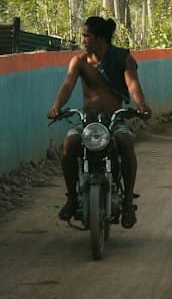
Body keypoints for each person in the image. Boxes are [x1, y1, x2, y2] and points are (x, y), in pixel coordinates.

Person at [47, 15, 151, 229]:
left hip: (115, 120)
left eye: (87, 36)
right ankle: (72, 197)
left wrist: (140, 105)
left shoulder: (123, 58)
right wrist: (57, 106)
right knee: (70, 144)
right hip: (89, 121)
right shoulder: (80, 61)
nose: (83, 41)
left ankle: (128, 202)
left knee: (125, 142)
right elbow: (67, 85)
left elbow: (133, 85)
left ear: (100, 39)